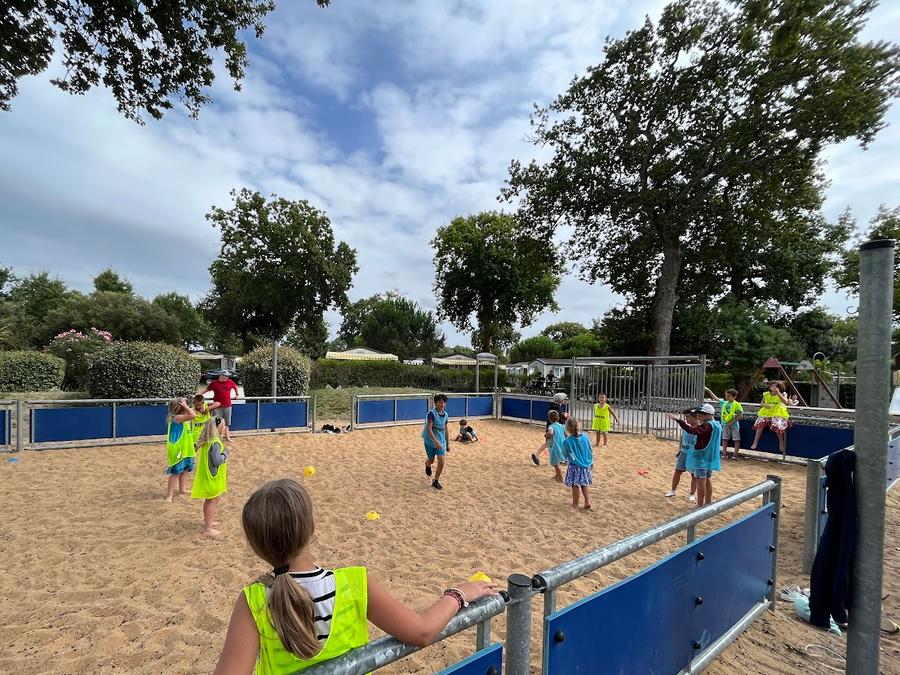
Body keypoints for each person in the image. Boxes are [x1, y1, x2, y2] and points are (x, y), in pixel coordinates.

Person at [213, 479, 499, 674]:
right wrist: (457, 594)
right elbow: (422, 631)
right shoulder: (355, 583)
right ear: (312, 526)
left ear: (256, 546)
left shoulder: (253, 602)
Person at [667, 403, 722, 507]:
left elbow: (692, 430)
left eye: (701, 414)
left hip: (702, 457)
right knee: (707, 480)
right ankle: (708, 502)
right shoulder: (717, 424)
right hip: (710, 457)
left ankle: (699, 505)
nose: (699, 416)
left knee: (701, 481)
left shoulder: (707, 425)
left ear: (707, 415)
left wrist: (679, 420)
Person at [192, 418, 229, 538]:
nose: (225, 428)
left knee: (211, 500)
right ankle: (208, 528)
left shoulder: (208, 440)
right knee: (212, 500)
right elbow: (217, 460)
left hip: (209, 476)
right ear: (218, 427)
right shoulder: (215, 442)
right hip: (212, 477)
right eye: (223, 425)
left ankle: (208, 521)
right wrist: (226, 454)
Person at [164, 398, 197, 502]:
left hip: (186, 449)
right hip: (179, 450)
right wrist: (185, 406)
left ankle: (182, 489)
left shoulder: (182, 417)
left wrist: (186, 405)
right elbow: (193, 415)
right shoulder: (176, 418)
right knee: (176, 472)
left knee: (185, 469)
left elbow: (193, 413)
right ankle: (169, 495)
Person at [665, 408, 698, 502]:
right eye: (685, 417)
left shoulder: (699, 428)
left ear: (695, 417)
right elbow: (682, 437)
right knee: (678, 471)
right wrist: (679, 449)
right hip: (684, 452)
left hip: (693, 454)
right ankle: (673, 490)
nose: (686, 419)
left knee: (694, 475)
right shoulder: (687, 427)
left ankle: (692, 494)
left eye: (688, 417)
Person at [750, 381, 791, 455]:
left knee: (777, 425)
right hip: (767, 412)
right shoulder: (766, 394)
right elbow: (761, 403)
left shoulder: (783, 394)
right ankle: (755, 441)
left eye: (776, 387)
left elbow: (785, 402)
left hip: (778, 413)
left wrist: (778, 393)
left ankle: (781, 442)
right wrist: (765, 405)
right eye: (772, 386)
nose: (774, 388)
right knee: (760, 422)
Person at [562, 416, 593, 510]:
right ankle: (587, 501)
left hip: (574, 466)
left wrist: (566, 459)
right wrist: (591, 461)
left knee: (575, 485)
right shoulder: (585, 437)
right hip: (585, 465)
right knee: (584, 484)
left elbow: (564, 454)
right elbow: (590, 449)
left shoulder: (567, 441)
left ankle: (575, 504)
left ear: (567, 428)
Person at [532, 392, 569, 466]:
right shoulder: (558, 409)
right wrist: (565, 417)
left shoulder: (551, 407)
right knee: (560, 443)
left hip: (549, 428)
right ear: (561, 401)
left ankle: (536, 454)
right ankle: (562, 460)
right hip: (557, 430)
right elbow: (560, 421)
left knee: (548, 443)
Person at [422, 393, 449, 490]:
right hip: (430, 441)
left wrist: (448, 443)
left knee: (441, 462)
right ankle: (427, 465)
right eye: (440, 402)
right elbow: (429, 429)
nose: (442, 404)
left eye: (444, 402)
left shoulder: (446, 415)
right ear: (435, 403)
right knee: (431, 460)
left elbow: (446, 429)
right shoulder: (431, 414)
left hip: (441, 442)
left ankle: (435, 481)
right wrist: (435, 442)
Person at [203, 371, 240, 443]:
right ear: (221, 375)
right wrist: (199, 395)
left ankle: (227, 438)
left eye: (227, 376)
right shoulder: (214, 383)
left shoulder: (230, 382)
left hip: (227, 405)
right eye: (226, 376)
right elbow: (206, 390)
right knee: (216, 423)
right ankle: (216, 438)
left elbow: (235, 386)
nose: (227, 377)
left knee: (227, 423)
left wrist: (237, 394)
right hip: (217, 406)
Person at [719, 389, 744, 459]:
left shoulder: (737, 405)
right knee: (724, 439)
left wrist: (731, 422)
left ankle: (735, 455)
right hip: (725, 424)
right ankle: (724, 453)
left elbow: (740, 416)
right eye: (726, 395)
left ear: (734, 396)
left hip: (734, 425)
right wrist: (708, 390)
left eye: (729, 396)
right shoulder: (724, 403)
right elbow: (715, 398)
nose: (727, 397)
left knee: (736, 440)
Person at [545, 410, 567, 482]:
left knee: (555, 462)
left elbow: (550, 433)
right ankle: (557, 475)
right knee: (557, 461)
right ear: (558, 418)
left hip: (554, 446)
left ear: (549, 419)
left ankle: (560, 476)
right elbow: (566, 435)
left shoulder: (551, 427)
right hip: (562, 445)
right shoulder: (561, 426)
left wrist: (546, 435)